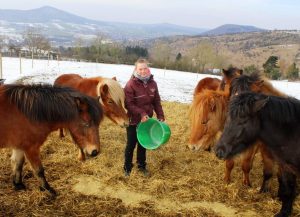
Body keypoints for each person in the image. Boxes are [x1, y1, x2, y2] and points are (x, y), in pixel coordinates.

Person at [123, 58, 165, 177]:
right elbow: (128, 104)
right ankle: (127, 168)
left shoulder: (153, 83)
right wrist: (141, 113)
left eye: (145, 68)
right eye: (140, 69)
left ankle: (141, 166)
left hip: (147, 121)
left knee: (143, 143)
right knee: (131, 144)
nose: (143, 71)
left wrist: (160, 115)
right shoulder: (130, 84)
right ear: (136, 69)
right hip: (133, 120)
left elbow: (156, 101)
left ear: (148, 69)